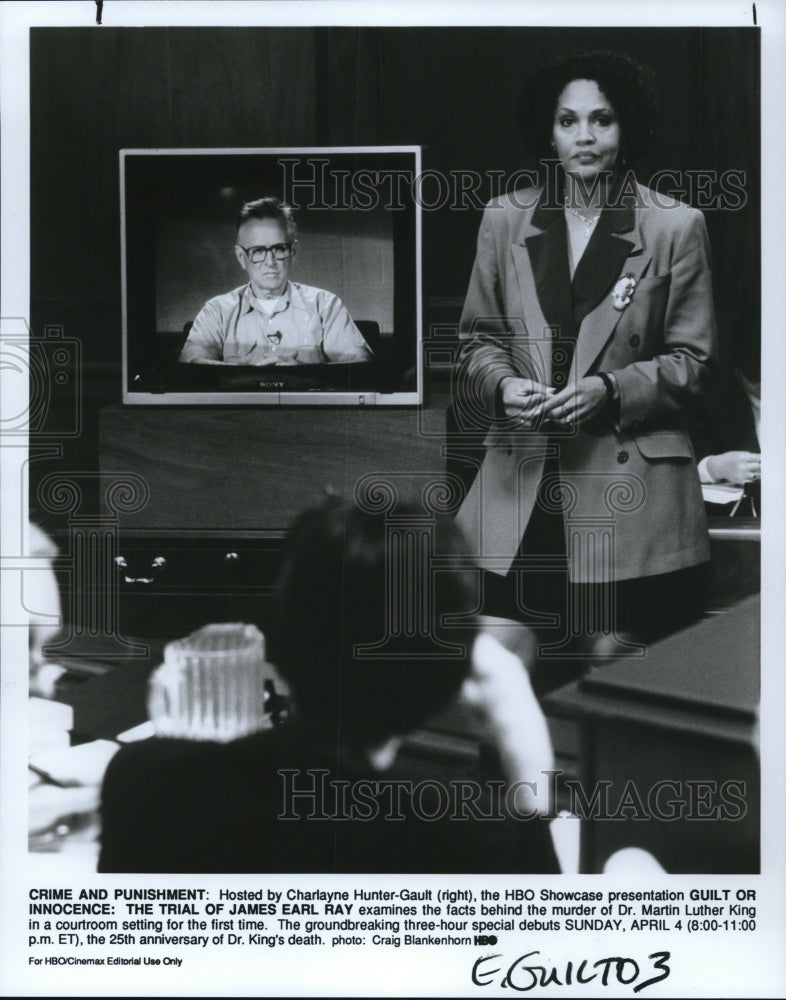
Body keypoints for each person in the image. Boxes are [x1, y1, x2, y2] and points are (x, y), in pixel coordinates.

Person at [98, 497, 559, 873]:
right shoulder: (471, 840)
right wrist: (524, 746)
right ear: (446, 680)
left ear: (284, 633)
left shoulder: (138, 779)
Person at [453, 51, 719, 673]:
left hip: (627, 491)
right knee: (493, 671)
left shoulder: (676, 225)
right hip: (521, 481)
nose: (585, 137)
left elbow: (695, 362)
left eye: (601, 120)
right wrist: (503, 384)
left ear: (627, 130)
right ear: (548, 132)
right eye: (568, 121)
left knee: (610, 675)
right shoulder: (504, 218)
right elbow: (475, 343)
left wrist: (611, 388)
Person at [178, 197, 373, 366]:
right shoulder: (217, 310)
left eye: (279, 249)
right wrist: (239, 374)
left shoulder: (325, 305)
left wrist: (303, 376)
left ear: (293, 252)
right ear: (241, 256)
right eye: (258, 251)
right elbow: (192, 361)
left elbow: (359, 360)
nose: (270, 262)